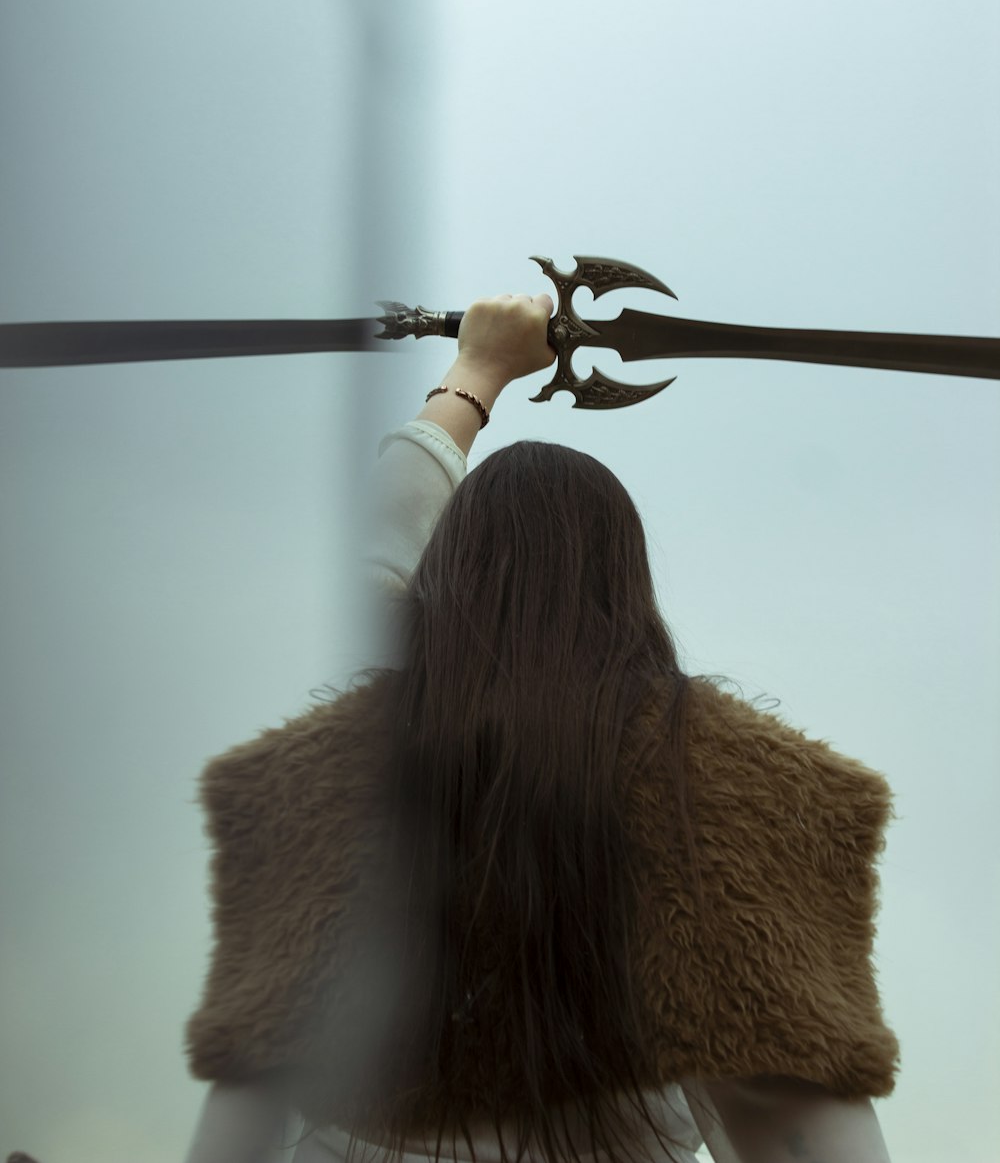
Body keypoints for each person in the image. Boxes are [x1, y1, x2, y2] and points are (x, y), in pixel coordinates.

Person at [183, 292, 897, 1163]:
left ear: (445, 578)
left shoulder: (343, 774)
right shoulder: (718, 789)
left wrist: (476, 370)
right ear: (628, 586)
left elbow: (376, 549)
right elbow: (792, 1126)